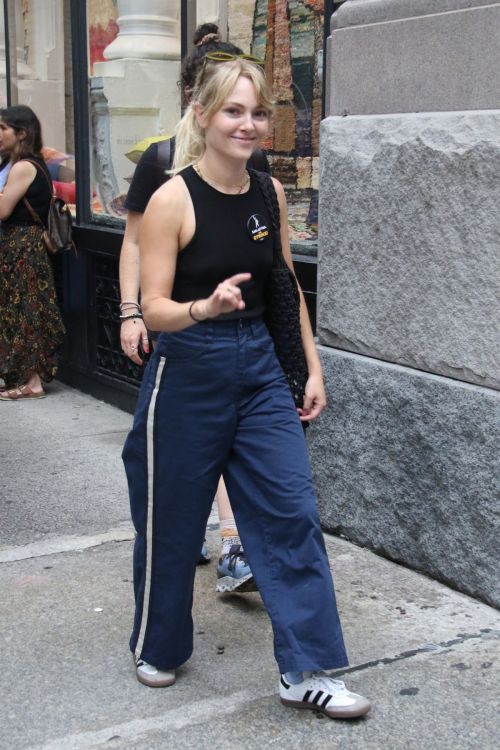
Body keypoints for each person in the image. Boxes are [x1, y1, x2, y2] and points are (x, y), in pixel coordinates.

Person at [122, 55, 371, 719]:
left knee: (290, 511)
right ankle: (160, 643)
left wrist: (311, 368)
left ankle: (308, 668)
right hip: (188, 366)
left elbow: (285, 285)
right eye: (233, 110)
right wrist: (201, 309)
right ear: (202, 115)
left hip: (261, 368)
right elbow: (153, 307)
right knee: (171, 522)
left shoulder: (270, 193)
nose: (248, 124)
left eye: (258, 112)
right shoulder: (172, 198)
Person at [119, 24, 269, 591]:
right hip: (176, 330)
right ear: (198, 98)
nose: (245, 120)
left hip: (238, 336)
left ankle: (233, 547)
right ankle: (176, 542)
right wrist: (131, 311)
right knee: (165, 460)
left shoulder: (252, 166)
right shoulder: (160, 160)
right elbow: (133, 241)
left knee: (229, 440)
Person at [0, 105, 65, 400]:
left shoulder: (24, 166)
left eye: (3, 129)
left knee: (27, 312)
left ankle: (33, 382)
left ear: (22, 133)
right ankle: (25, 377)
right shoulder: (32, 163)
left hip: (23, 246)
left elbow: (3, 210)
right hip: (25, 246)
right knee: (25, 310)